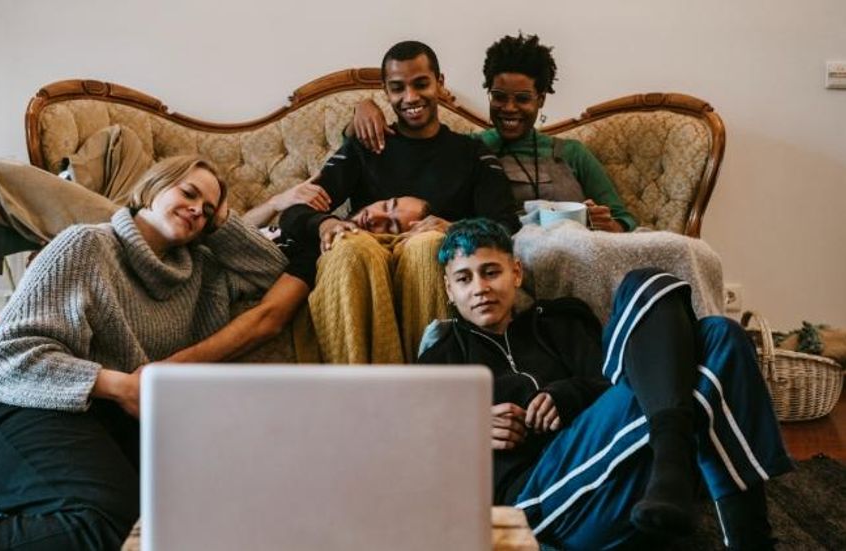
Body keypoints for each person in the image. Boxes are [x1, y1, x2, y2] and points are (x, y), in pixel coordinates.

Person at [0, 155, 293, 549]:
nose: (198, 209)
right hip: (26, 410)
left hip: (106, 426)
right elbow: (5, 357)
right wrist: (118, 385)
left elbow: (273, 269)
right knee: (99, 524)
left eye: (209, 209)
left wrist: (224, 223)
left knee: (156, 519)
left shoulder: (204, 273)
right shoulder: (86, 244)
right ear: (153, 187)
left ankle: (43, 518)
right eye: (189, 192)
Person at [418, 219, 792, 550]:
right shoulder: (440, 360)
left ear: (516, 273)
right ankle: (676, 460)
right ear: (449, 290)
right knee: (708, 353)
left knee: (714, 328)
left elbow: (607, 380)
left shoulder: (560, 322)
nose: (480, 288)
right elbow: (413, 454)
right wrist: (470, 428)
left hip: (626, 477)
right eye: (464, 279)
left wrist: (567, 394)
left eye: (491, 272)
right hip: (540, 502)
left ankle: (730, 520)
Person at [279, 40, 519, 364]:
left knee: (427, 245)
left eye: (421, 84)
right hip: (366, 252)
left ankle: (427, 386)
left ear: (440, 83)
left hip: (427, 252)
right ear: (386, 91)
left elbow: (505, 224)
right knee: (348, 247)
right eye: (397, 88)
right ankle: (355, 389)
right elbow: (294, 211)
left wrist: (455, 227)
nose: (410, 97)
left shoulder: (471, 153)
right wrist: (325, 223)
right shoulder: (365, 147)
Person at [350, 31, 637, 232]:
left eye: (522, 99)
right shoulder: (469, 151)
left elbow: (625, 221)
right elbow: (394, 159)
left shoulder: (571, 153)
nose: (509, 108)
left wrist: (607, 224)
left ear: (540, 99)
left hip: (575, 253)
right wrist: (361, 109)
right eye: (499, 97)